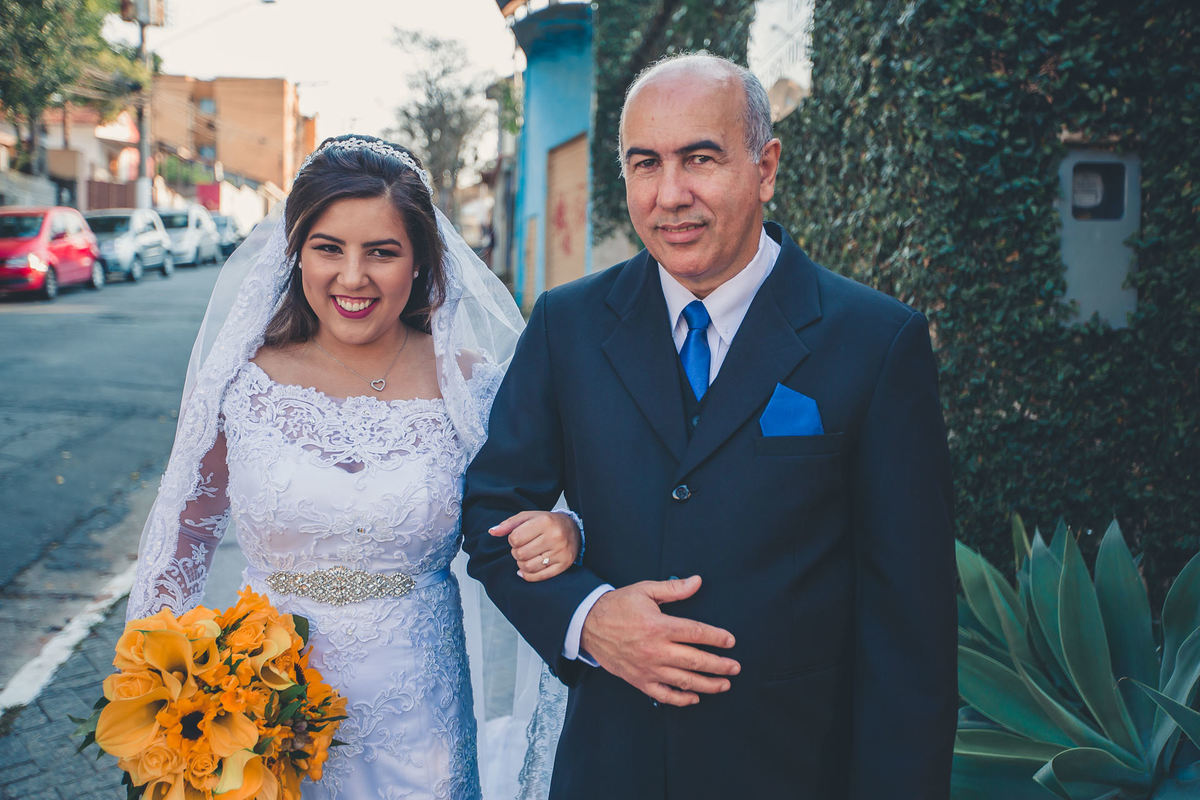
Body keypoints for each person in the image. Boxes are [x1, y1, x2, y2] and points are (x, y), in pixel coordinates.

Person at [461, 53, 957, 799]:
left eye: (700, 159)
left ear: (766, 167)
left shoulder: (876, 342)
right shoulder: (568, 325)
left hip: (794, 774)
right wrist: (587, 619)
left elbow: (910, 628)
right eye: (645, 164)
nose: (670, 195)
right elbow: (491, 513)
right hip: (612, 771)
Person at [126, 134, 583, 800]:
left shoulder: (473, 386)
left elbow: (525, 510)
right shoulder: (240, 383)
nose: (352, 277)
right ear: (296, 253)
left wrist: (566, 531)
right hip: (262, 713)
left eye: (382, 252)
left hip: (419, 718)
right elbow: (184, 536)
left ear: (420, 260)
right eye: (328, 248)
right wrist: (161, 701)